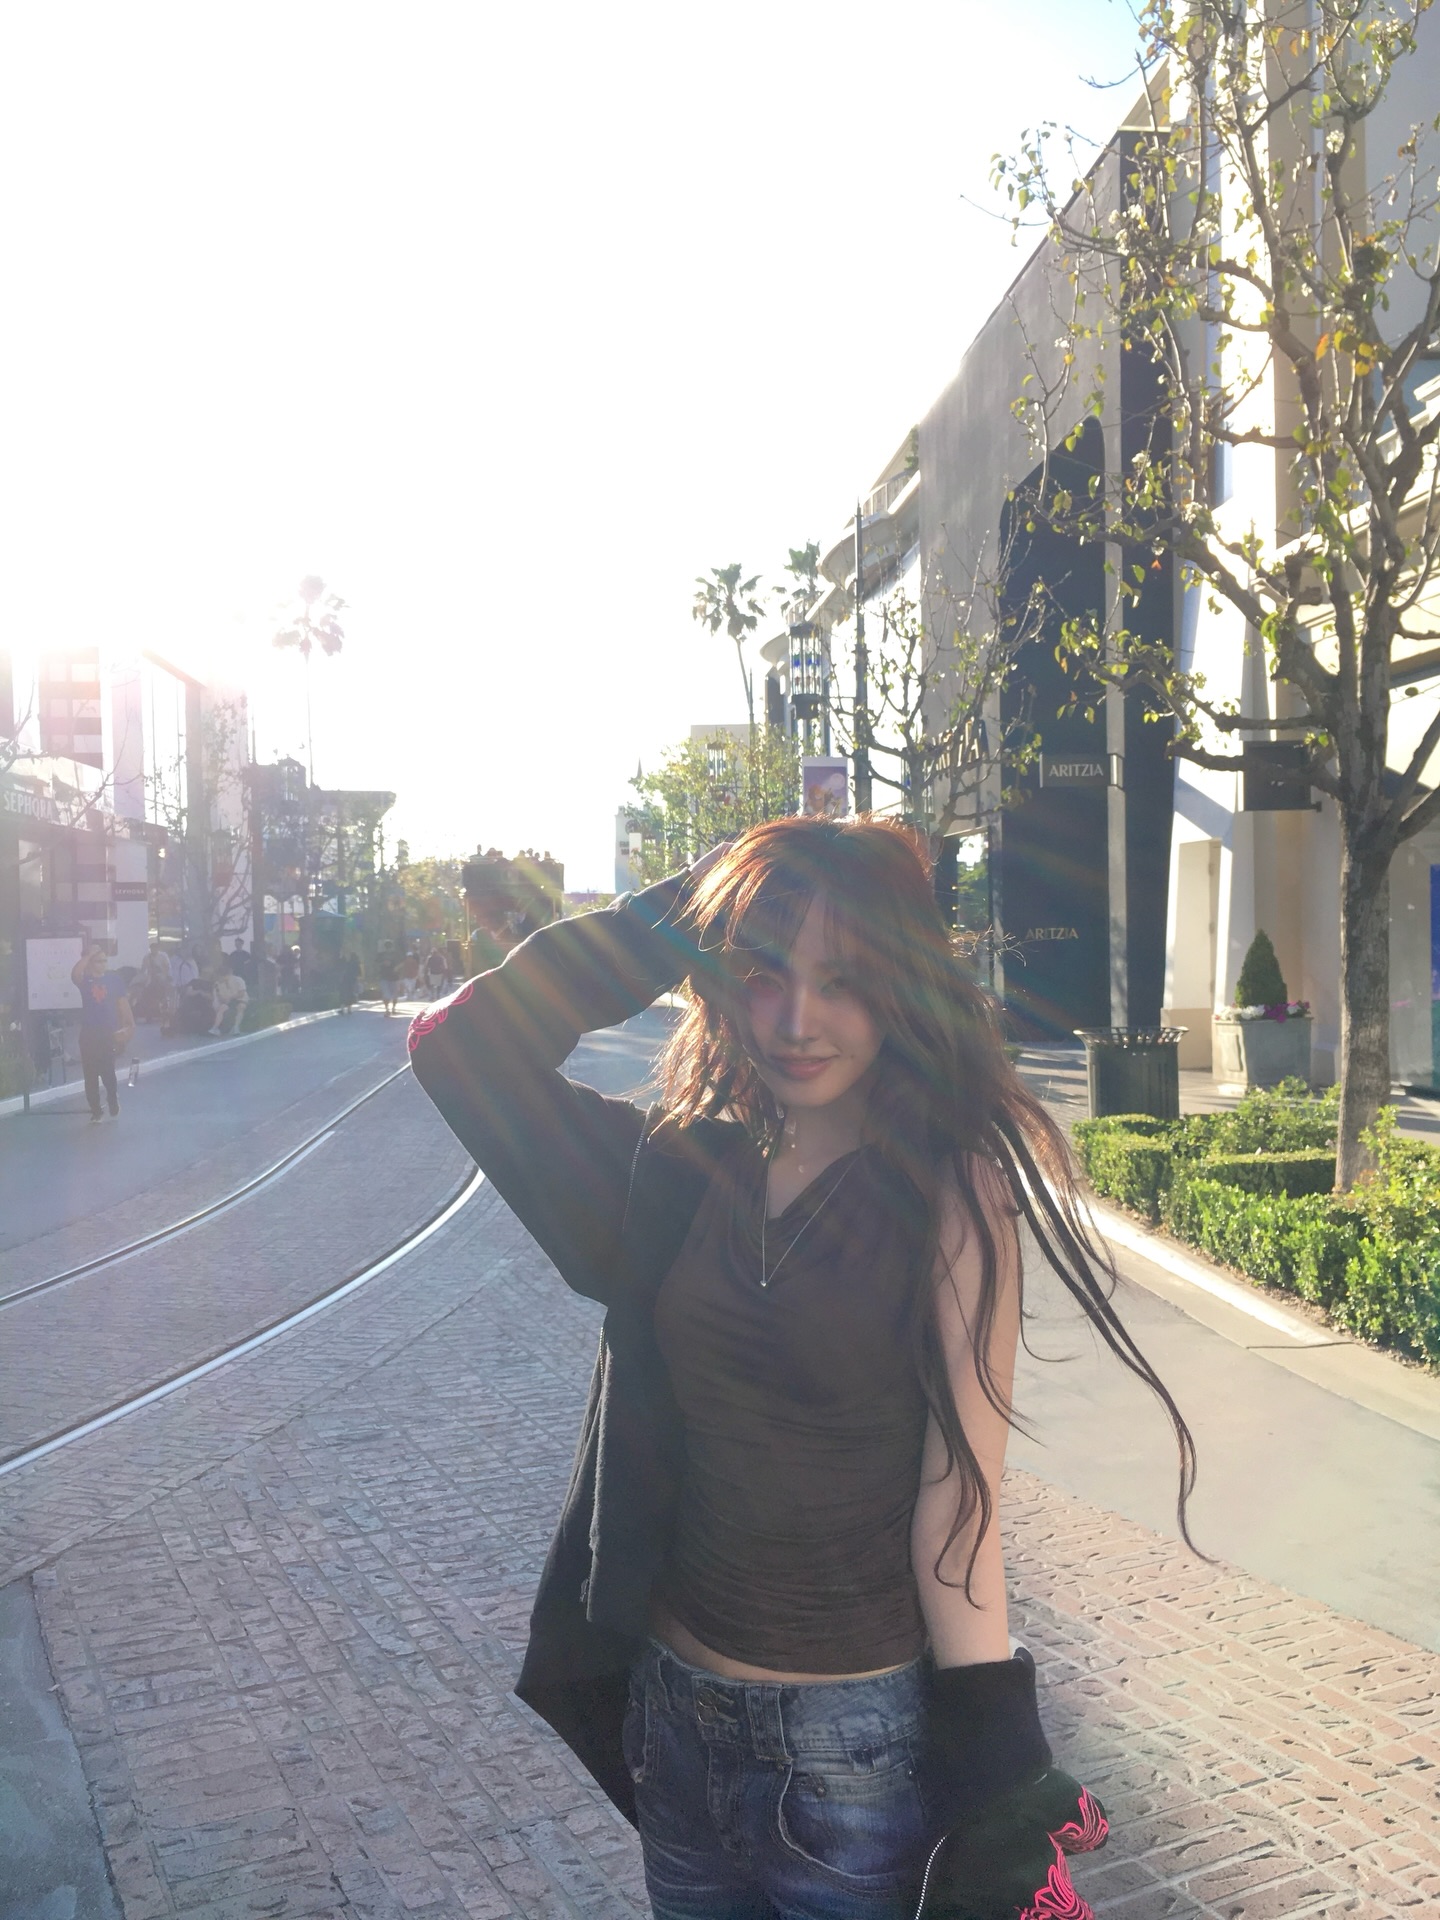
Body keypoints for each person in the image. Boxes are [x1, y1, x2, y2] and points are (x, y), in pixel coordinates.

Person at [408, 818, 1197, 1920]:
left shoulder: (951, 1189)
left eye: (842, 979)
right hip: (673, 1724)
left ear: (901, 984)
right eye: (762, 973)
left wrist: (998, 1766)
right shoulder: (677, 1170)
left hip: (852, 1754)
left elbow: (958, 1505)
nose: (795, 1020)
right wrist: (694, 901)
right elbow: (462, 1044)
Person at [70, 945, 134, 1122]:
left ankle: (112, 1099)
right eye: (99, 961)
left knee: (107, 1070)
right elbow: (75, 974)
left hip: (108, 1031)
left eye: (105, 960)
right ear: (91, 963)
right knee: (90, 1074)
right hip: (89, 1032)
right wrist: (88, 955)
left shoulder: (114, 979)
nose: (103, 964)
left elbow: (123, 1003)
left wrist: (129, 1025)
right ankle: (96, 1110)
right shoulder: (85, 980)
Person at [210, 955, 248, 1036]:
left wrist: (231, 997)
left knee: (241, 1007)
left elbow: (242, 993)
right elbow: (220, 997)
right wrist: (224, 999)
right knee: (222, 1008)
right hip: (228, 1001)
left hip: (239, 999)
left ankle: (236, 1027)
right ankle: (215, 1028)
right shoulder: (218, 984)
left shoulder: (238, 980)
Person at [379, 945, 404, 1016]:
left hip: (394, 977)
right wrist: (383, 963)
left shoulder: (396, 955)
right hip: (384, 977)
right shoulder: (381, 955)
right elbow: (376, 963)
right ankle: (387, 1009)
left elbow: (402, 963)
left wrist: (397, 967)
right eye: (387, 947)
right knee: (386, 994)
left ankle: (393, 1008)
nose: (388, 949)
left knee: (395, 994)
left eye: (389, 947)